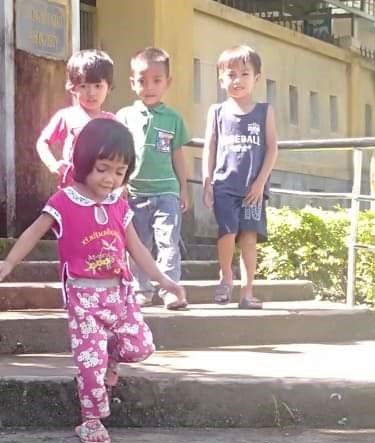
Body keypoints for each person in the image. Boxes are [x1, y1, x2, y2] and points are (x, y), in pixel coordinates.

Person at [0, 118, 184, 443]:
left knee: (140, 347)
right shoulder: (64, 201)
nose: (110, 178)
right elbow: (34, 232)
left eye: (119, 172)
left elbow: (137, 249)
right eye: (102, 169)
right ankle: (91, 420)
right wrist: (9, 262)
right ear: (84, 163)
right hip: (83, 296)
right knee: (89, 362)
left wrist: (164, 280)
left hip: (120, 293)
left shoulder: (119, 205)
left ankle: (110, 358)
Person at [202, 45, 278, 310]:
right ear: (221, 79)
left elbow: (272, 148)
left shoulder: (264, 111)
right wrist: (207, 180)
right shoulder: (217, 111)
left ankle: (247, 292)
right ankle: (225, 277)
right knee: (227, 232)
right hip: (225, 185)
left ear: (256, 77)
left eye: (244, 74)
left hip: (253, 189)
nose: (238, 80)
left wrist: (260, 182)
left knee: (249, 238)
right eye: (231, 74)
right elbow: (209, 147)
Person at [116, 48, 190, 310]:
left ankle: (170, 290)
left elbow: (178, 155)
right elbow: (119, 155)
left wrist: (183, 188)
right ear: (132, 82)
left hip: (167, 191)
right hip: (135, 193)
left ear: (167, 82)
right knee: (138, 245)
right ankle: (141, 290)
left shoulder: (174, 118)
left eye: (157, 80)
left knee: (168, 242)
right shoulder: (124, 116)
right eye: (142, 80)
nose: (149, 87)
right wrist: (120, 184)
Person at [36, 49, 116, 187]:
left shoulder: (113, 123)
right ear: (73, 88)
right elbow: (42, 143)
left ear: (108, 87)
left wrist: (122, 184)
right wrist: (53, 164)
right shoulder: (66, 116)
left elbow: (125, 156)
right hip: (72, 189)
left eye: (98, 86)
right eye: (83, 86)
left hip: (102, 191)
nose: (91, 93)